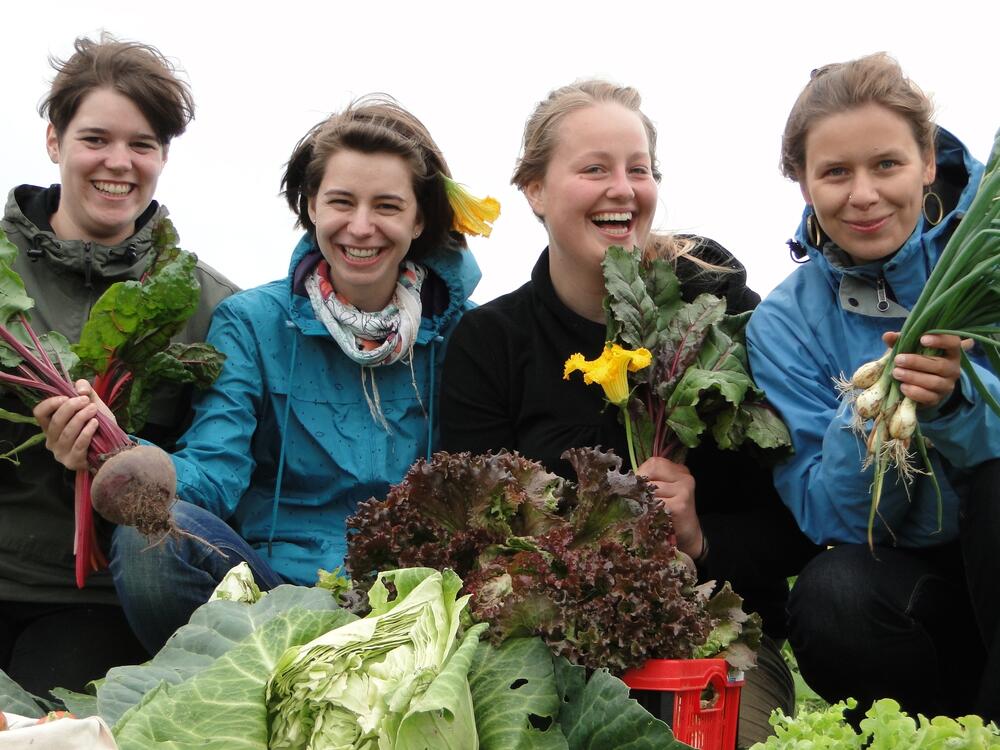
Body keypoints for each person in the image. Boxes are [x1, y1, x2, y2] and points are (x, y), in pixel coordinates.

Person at [438, 79, 819, 748]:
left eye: (638, 169)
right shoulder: (490, 343)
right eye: (594, 169)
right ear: (535, 188)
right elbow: (471, 541)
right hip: (544, 651)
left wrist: (699, 536)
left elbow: (791, 531)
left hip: (709, 644)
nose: (623, 188)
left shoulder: (722, 320)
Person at [37, 96, 483, 655]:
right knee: (150, 538)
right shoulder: (252, 322)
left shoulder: (469, 333)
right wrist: (122, 451)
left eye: (387, 206)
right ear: (311, 207)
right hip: (269, 598)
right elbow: (215, 471)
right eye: (340, 201)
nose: (361, 226)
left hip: (412, 606)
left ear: (419, 218)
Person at [746, 53, 1000, 722]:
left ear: (925, 158)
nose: (863, 195)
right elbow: (833, 522)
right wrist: (871, 411)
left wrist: (956, 407)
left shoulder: (989, 256)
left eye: (886, 164)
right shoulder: (783, 324)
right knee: (834, 595)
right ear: (803, 183)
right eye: (835, 172)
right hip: (913, 591)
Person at [0, 35, 238, 696]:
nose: (118, 163)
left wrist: (122, 453)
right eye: (95, 138)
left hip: (97, 599)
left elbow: (222, 471)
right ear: (54, 141)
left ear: (163, 156)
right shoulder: (3, 273)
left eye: (142, 145)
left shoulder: (211, 303)